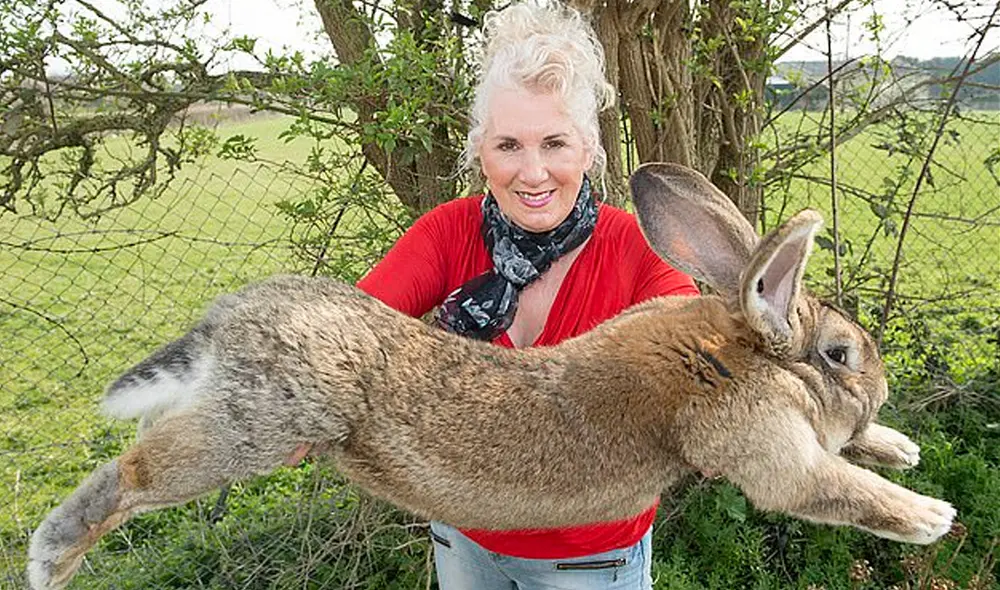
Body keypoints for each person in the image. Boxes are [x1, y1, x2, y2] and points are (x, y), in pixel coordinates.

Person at [355, 2, 699, 588]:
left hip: (590, 559)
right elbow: (344, 334)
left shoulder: (635, 250)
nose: (532, 173)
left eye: (555, 144)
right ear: (480, 152)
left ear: (588, 150)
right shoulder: (447, 233)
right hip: (464, 534)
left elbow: (703, 367)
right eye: (509, 145)